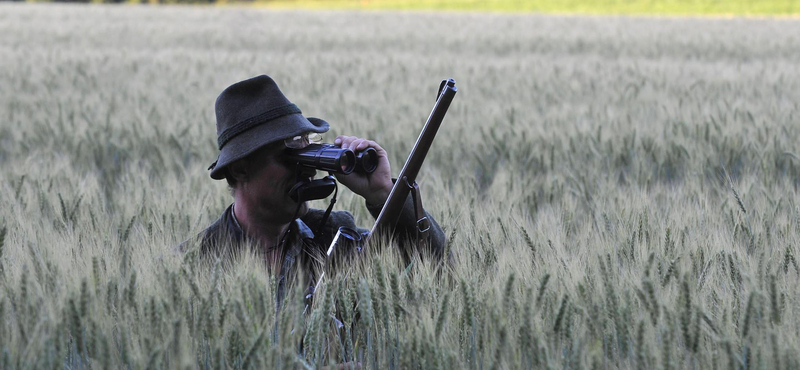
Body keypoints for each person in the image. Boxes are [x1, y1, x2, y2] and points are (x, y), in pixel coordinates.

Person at [180, 75, 446, 305]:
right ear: (239, 169)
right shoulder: (188, 267)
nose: (309, 170)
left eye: (309, 153)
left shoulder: (336, 239)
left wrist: (383, 194)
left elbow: (442, 273)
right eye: (291, 157)